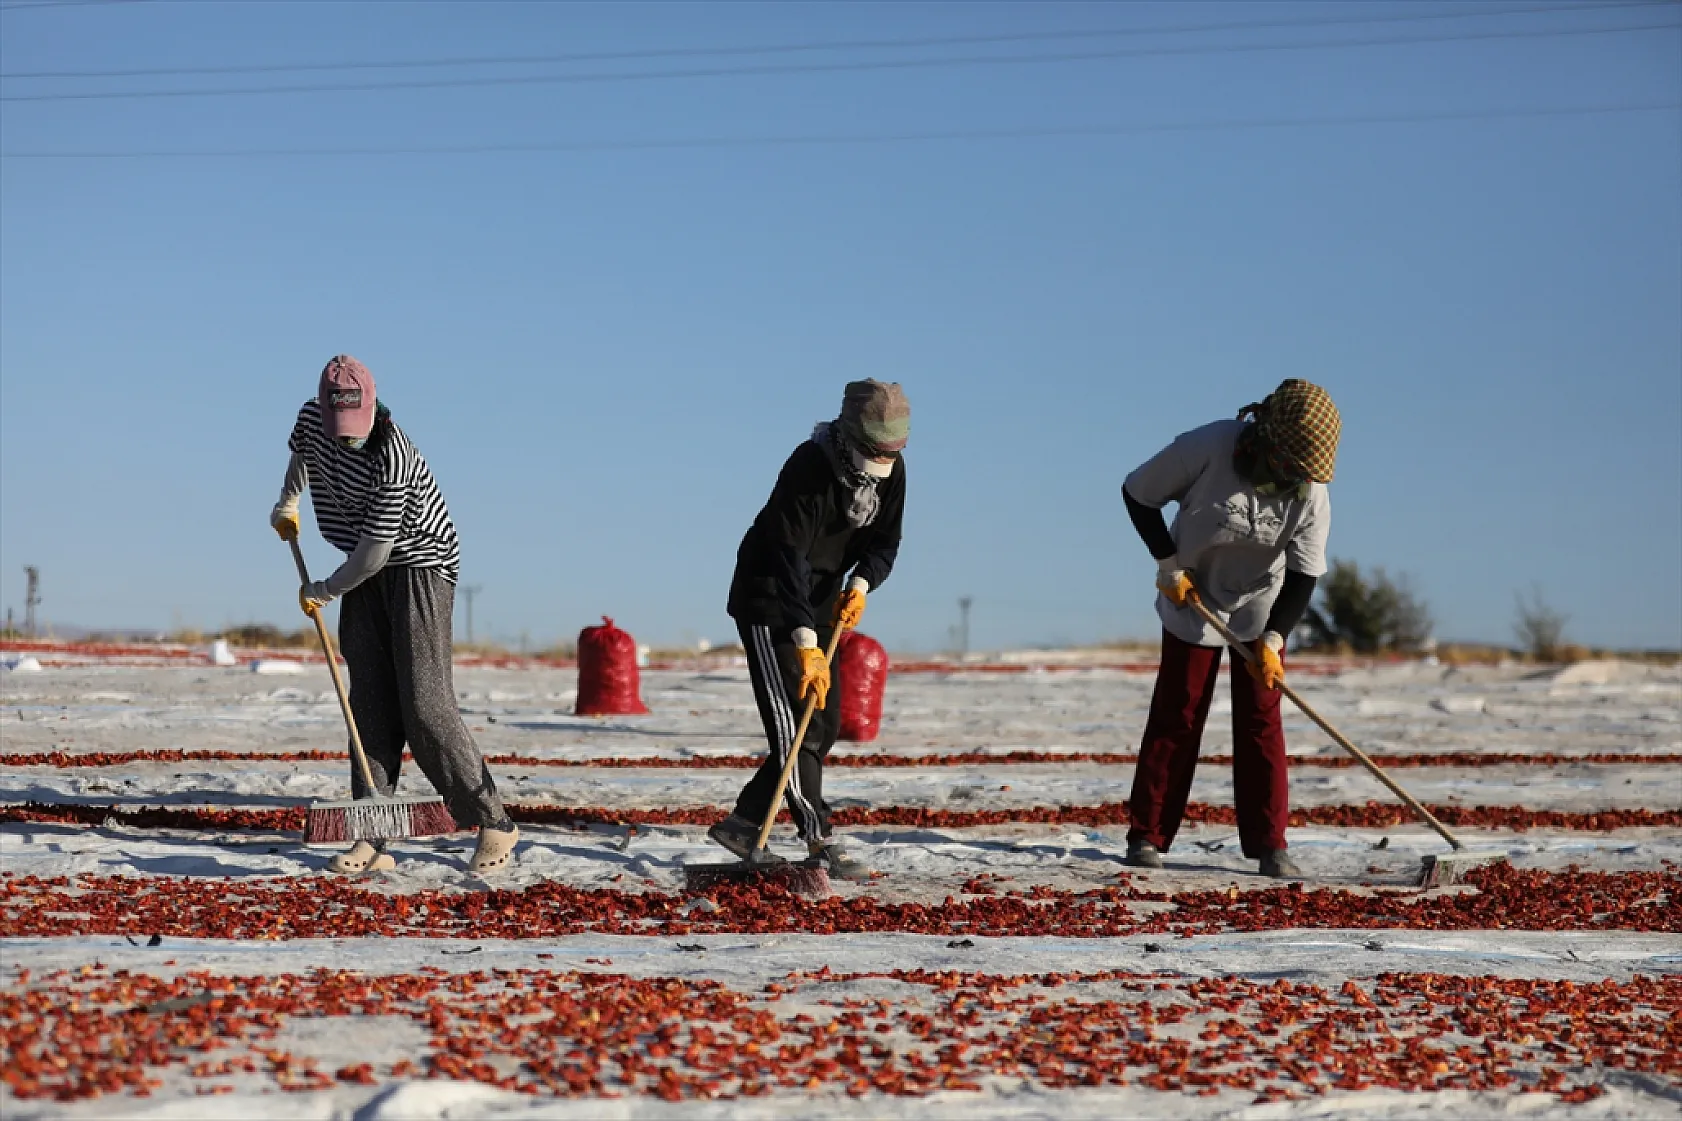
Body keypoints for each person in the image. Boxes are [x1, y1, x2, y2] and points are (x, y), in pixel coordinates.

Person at [270, 355, 519, 875]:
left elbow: (374, 554)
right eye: (338, 429)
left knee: (424, 703)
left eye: (354, 429)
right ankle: (372, 835)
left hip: (417, 561)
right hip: (357, 563)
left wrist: (325, 589)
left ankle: (494, 821)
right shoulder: (310, 420)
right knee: (370, 703)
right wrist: (288, 503)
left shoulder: (393, 454)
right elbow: (301, 460)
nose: (346, 440)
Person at [1120, 379, 1340, 879]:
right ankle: (1147, 835)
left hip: (1260, 602)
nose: (1300, 479)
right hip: (1191, 589)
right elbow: (1137, 493)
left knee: (1262, 717)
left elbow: (1305, 574)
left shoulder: (1313, 496)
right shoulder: (1209, 448)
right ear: (1270, 442)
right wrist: (1167, 561)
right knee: (1181, 706)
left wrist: (1274, 639)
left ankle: (1270, 844)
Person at [708, 380, 910, 880]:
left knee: (825, 723)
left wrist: (861, 584)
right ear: (848, 435)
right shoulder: (809, 466)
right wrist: (803, 640)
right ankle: (819, 836)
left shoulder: (891, 474)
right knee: (793, 723)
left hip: (823, 601)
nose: (882, 460)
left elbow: (885, 543)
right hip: (770, 599)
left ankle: (743, 823)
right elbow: (788, 555)